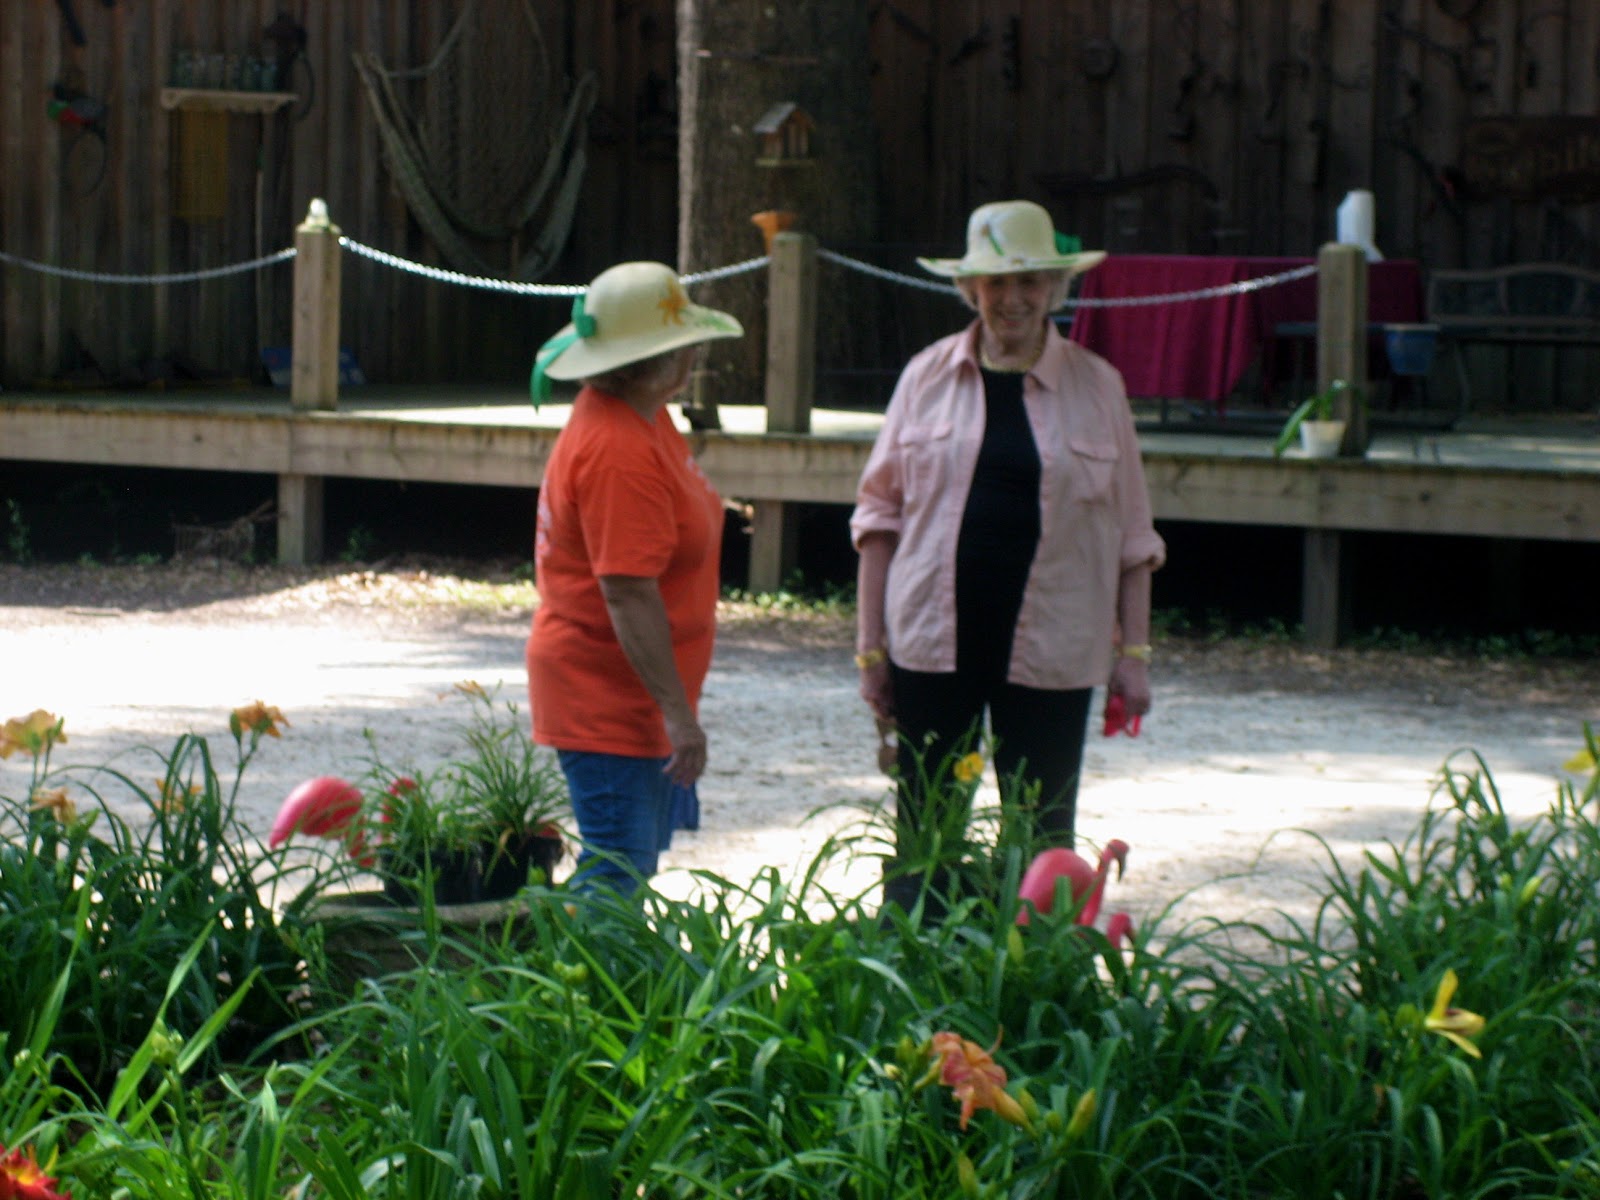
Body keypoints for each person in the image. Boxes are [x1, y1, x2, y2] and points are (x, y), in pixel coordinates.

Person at [850, 199, 1166, 878]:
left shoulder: (1099, 386)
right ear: (971, 288)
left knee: (1042, 833)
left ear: (1055, 287)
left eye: (1030, 281)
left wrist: (1134, 653)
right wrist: (870, 649)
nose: (1013, 298)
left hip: (1056, 645)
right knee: (926, 832)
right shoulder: (924, 376)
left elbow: (1133, 534)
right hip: (932, 644)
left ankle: (1026, 948)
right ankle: (920, 944)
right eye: (996, 282)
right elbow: (877, 520)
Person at [526, 261, 743, 896]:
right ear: (659, 360)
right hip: (606, 696)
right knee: (616, 873)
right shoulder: (617, 449)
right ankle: (580, 965)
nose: (696, 351)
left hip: (627, 692)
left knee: (627, 867)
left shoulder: (643, 415)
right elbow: (626, 591)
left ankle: (598, 960)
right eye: (686, 340)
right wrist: (678, 716)